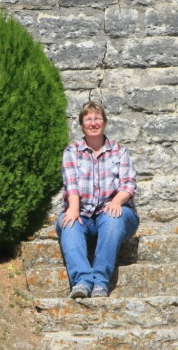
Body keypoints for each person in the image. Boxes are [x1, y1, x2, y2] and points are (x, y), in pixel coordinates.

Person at [57, 101, 139, 299]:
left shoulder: (120, 151)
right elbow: (71, 184)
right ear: (82, 124)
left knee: (112, 218)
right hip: (83, 212)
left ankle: (101, 282)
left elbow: (128, 184)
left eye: (97, 118)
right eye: (88, 119)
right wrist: (73, 209)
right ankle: (82, 282)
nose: (93, 123)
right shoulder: (71, 152)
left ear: (105, 122)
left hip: (116, 211)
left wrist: (116, 202)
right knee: (68, 223)